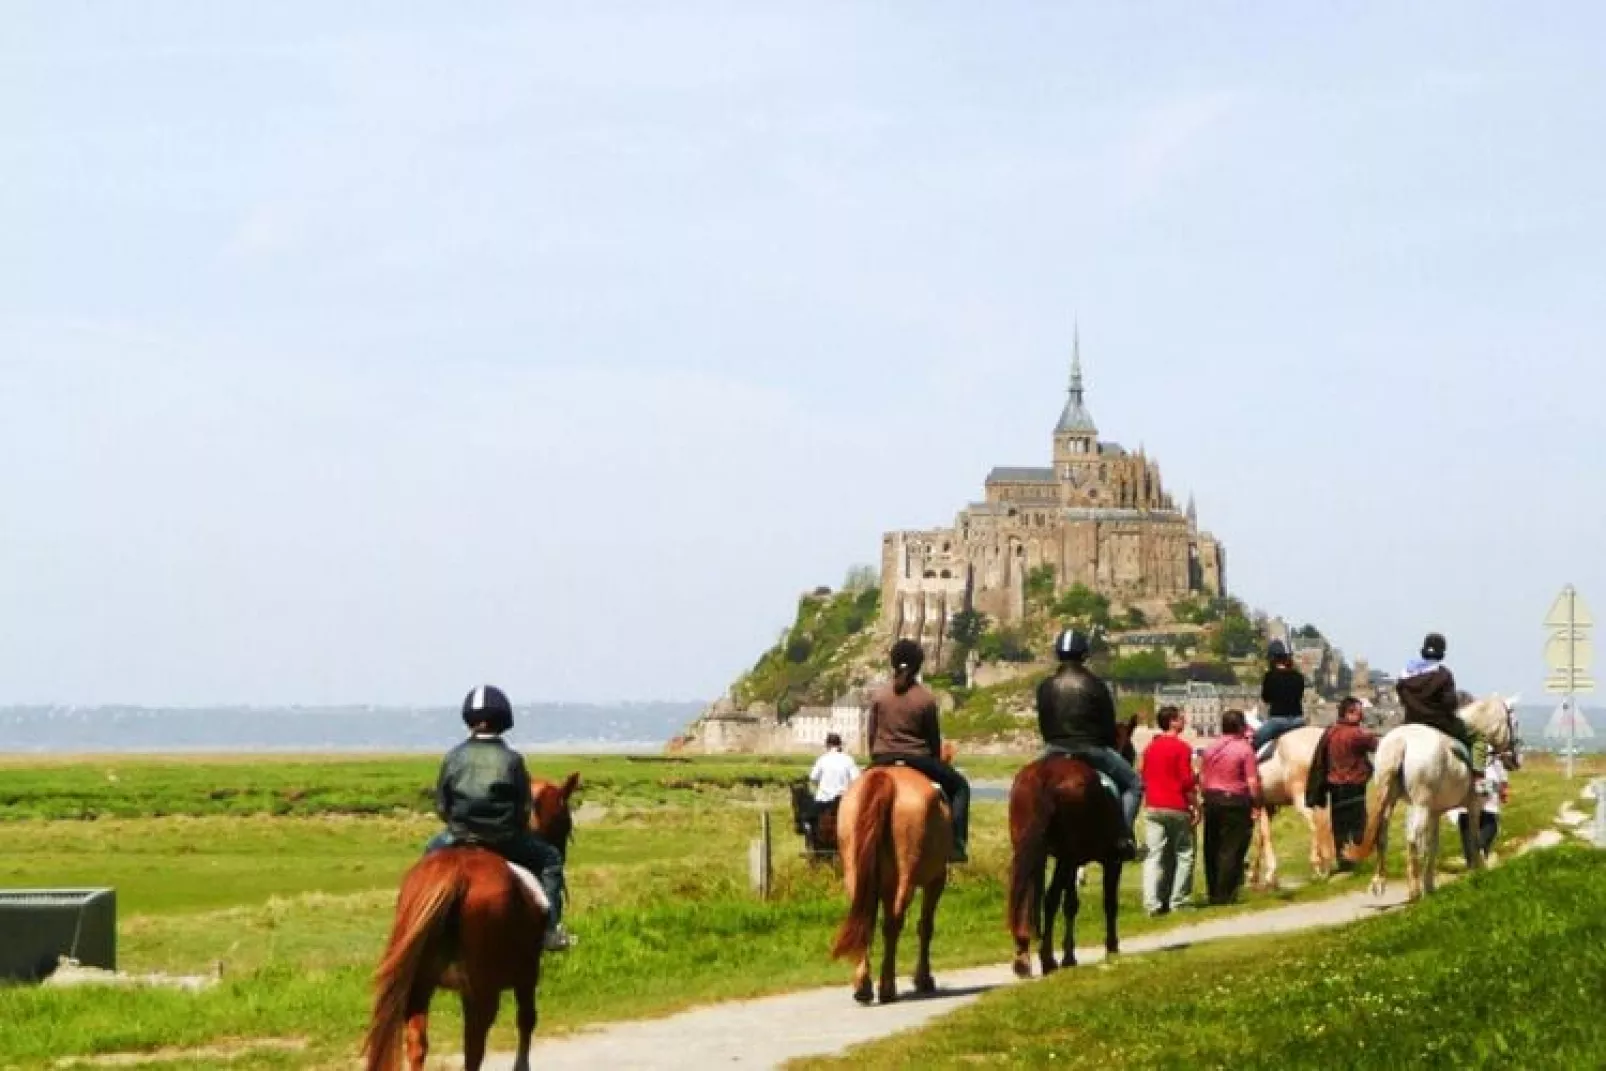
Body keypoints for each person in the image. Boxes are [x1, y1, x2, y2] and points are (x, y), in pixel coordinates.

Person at [424, 684, 573, 952]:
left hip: (457, 836)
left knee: (427, 861)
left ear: (468, 719)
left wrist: (459, 824)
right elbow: (523, 808)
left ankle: (422, 923)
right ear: (503, 721)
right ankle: (551, 930)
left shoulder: (453, 757)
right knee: (550, 859)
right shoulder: (512, 760)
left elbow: (442, 806)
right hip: (504, 839)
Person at [1035, 627, 1142, 861]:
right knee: (1134, 784)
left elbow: (1043, 720)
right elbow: (1107, 724)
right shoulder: (1095, 684)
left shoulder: (1045, 685)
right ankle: (1122, 836)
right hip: (1090, 748)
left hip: (1053, 748)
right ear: (1084, 654)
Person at [867, 639, 971, 863]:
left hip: (882, 759)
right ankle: (957, 844)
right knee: (961, 786)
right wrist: (935, 761)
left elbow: (871, 736)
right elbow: (933, 741)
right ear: (918, 665)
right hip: (918, 759)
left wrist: (876, 758)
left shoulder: (879, 696)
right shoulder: (926, 699)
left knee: (851, 792)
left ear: (893, 663)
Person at [1140, 705, 1198, 915]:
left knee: (1153, 856)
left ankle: (1151, 903)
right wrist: (1196, 805)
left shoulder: (1149, 748)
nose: (1184, 721)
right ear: (1172, 721)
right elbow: (1185, 781)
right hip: (1176, 805)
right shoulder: (1182, 748)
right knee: (1184, 853)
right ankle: (1178, 899)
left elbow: (1143, 776)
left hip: (1153, 805)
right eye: (1181, 718)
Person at [1201, 708, 1262, 904]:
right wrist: (1257, 803)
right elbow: (1252, 782)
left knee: (1212, 847)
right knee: (1232, 848)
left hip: (1211, 798)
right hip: (1235, 800)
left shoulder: (1211, 747)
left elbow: (1202, 776)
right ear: (1241, 727)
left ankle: (1212, 890)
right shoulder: (1244, 749)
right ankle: (1225, 893)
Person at [1321, 696, 1378, 868]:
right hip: (1354, 783)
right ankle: (1356, 859)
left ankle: (1342, 860)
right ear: (1349, 713)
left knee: (1339, 824)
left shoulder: (1330, 732)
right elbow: (1377, 746)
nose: (1362, 715)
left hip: (1334, 784)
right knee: (1357, 823)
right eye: (1359, 712)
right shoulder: (1358, 734)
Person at [1397, 632, 1473, 753]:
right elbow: (1449, 703)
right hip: (1439, 723)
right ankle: (1477, 771)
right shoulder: (1443, 674)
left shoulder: (1404, 675)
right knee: (1479, 740)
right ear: (1442, 654)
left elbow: (1402, 699)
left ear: (1423, 651)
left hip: (1410, 722)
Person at [1251, 640, 1307, 752]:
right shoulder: (1299, 676)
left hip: (1278, 721)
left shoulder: (1270, 676)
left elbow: (1266, 698)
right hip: (1298, 720)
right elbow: (1299, 696)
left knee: (1253, 742)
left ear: (1272, 659)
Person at [1456, 750, 1510, 865]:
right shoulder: (1490, 751)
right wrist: (1501, 787)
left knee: (1466, 815)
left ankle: (1472, 859)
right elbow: (1479, 785)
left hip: (1464, 792)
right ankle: (1479, 850)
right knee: (1491, 820)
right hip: (1485, 791)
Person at [802, 732, 860, 836]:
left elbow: (813, 777)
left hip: (824, 800)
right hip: (843, 800)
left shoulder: (822, 759)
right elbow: (856, 779)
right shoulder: (848, 759)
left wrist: (820, 785)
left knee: (808, 818)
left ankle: (812, 837)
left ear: (827, 745)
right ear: (840, 744)